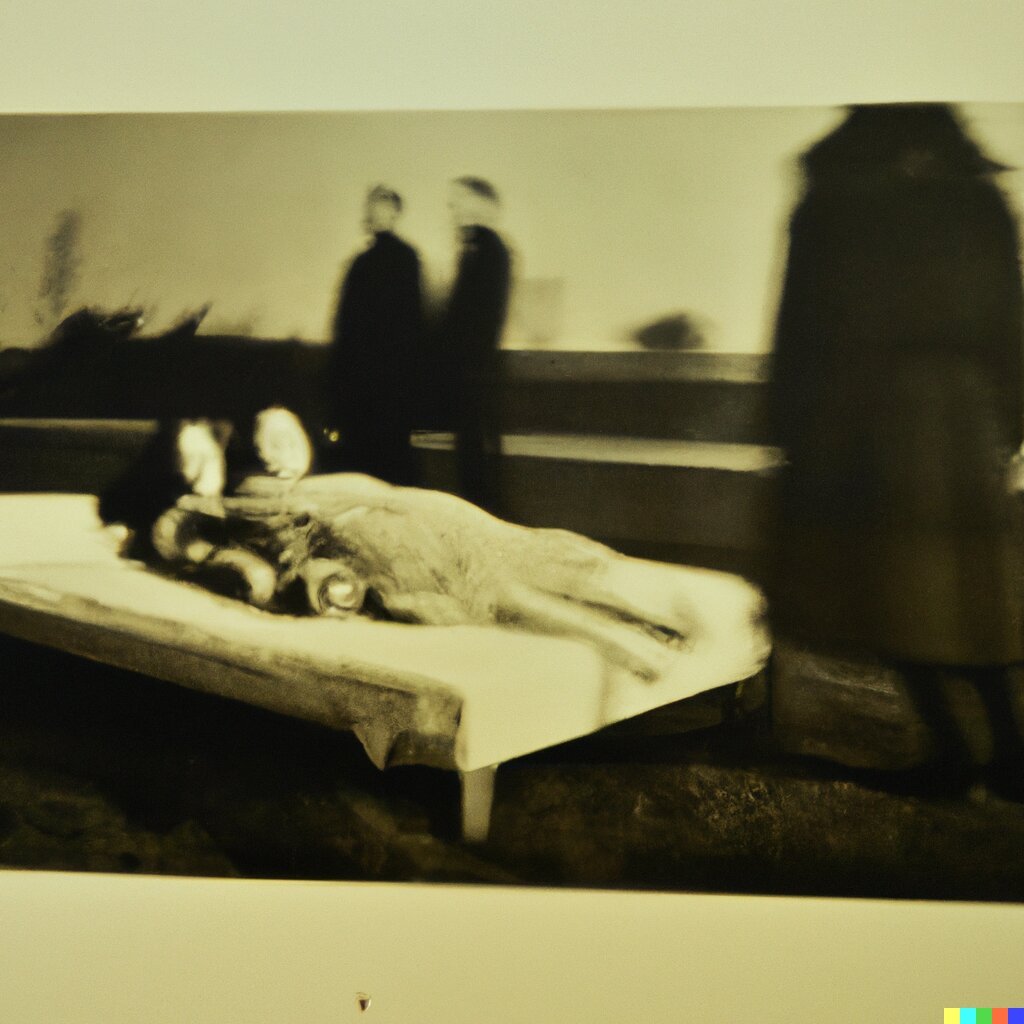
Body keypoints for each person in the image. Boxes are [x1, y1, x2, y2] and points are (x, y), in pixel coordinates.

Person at [767, 103, 1024, 799]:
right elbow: (1010, 320)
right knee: (955, 602)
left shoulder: (837, 189)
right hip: (947, 415)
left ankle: (977, 754)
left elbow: (799, 318)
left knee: (898, 598)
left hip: (867, 416)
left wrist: (790, 422)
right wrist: (1009, 423)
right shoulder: (974, 193)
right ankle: (987, 755)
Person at [329, 185, 425, 485]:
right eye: (374, 209)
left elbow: (410, 321)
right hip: (366, 377)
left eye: (383, 208)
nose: (377, 215)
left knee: (383, 456)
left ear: (396, 214)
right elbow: (344, 324)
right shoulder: (363, 262)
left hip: (388, 377)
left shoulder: (402, 259)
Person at [436, 176, 512, 514]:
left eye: (461, 203)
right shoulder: (478, 249)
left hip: (475, 371)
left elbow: (477, 319)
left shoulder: (489, 251)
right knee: (472, 453)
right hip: (472, 371)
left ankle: (483, 514)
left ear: (484, 206)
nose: (454, 211)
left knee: (476, 456)